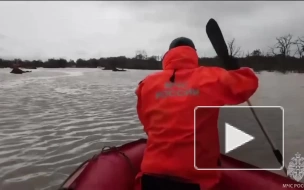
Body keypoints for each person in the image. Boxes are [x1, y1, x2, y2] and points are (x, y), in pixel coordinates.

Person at [134, 37, 259, 190]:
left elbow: (147, 124)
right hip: (195, 179)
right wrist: (234, 67)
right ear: (194, 54)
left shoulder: (146, 84)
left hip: (151, 175)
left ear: (168, 54)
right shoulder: (212, 78)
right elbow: (249, 82)